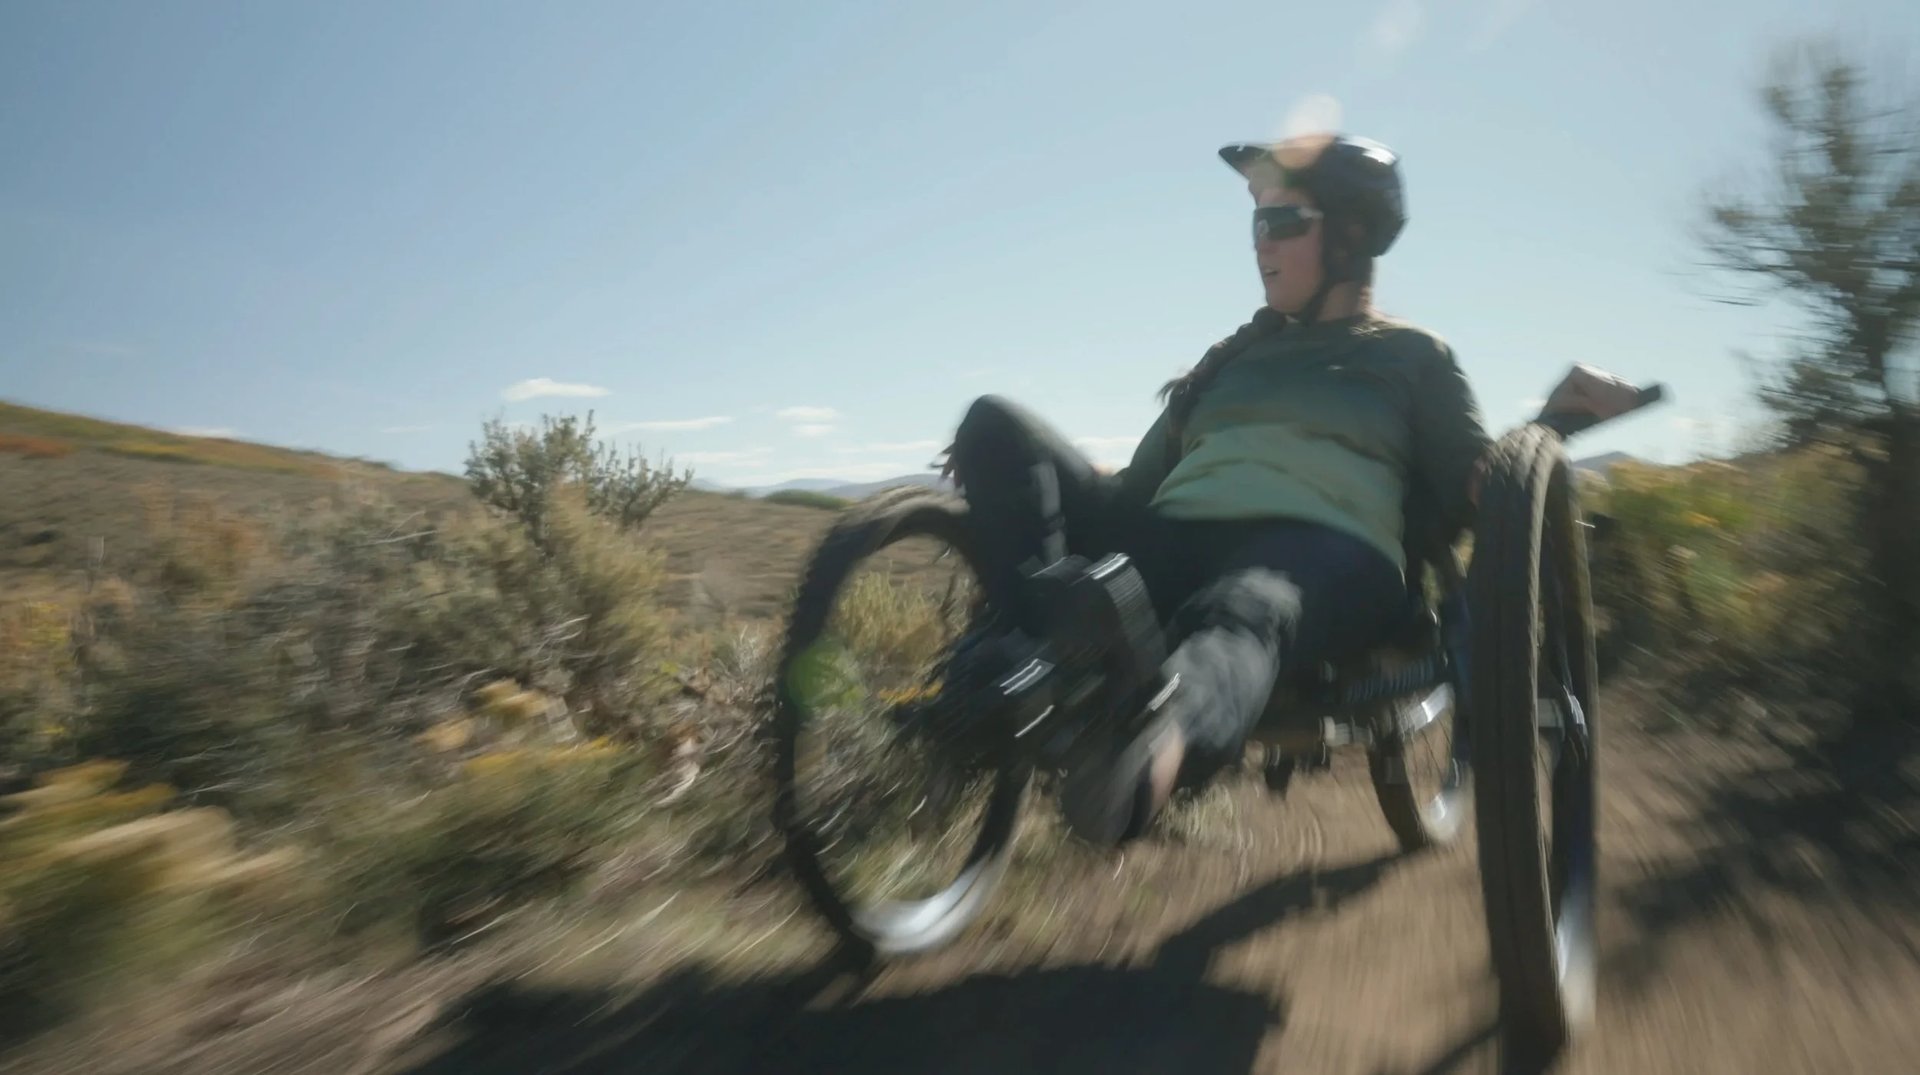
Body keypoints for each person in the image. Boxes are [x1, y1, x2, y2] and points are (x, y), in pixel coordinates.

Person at [945, 132, 1639, 848]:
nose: (1259, 242)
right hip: (1178, 533)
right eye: (1256, 222)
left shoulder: (1412, 356)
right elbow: (1130, 489)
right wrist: (1016, 481)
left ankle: (1144, 758)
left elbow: (1478, 484)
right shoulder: (1227, 363)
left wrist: (1556, 418)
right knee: (995, 422)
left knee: (1247, 606)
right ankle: (1012, 662)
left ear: (1352, 235)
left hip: (1323, 550)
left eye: (1281, 221)